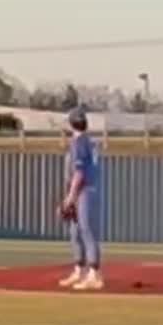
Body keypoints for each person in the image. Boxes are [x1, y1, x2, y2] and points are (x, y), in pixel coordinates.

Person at [58, 108, 103, 291]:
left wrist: (70, 197)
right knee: (76, 231)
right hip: (85, 189)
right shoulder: (88, 141)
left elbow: (79, 173)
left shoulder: (78, 143)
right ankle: (79, 269)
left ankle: (93, 273)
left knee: (85, 229)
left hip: (83, 190)